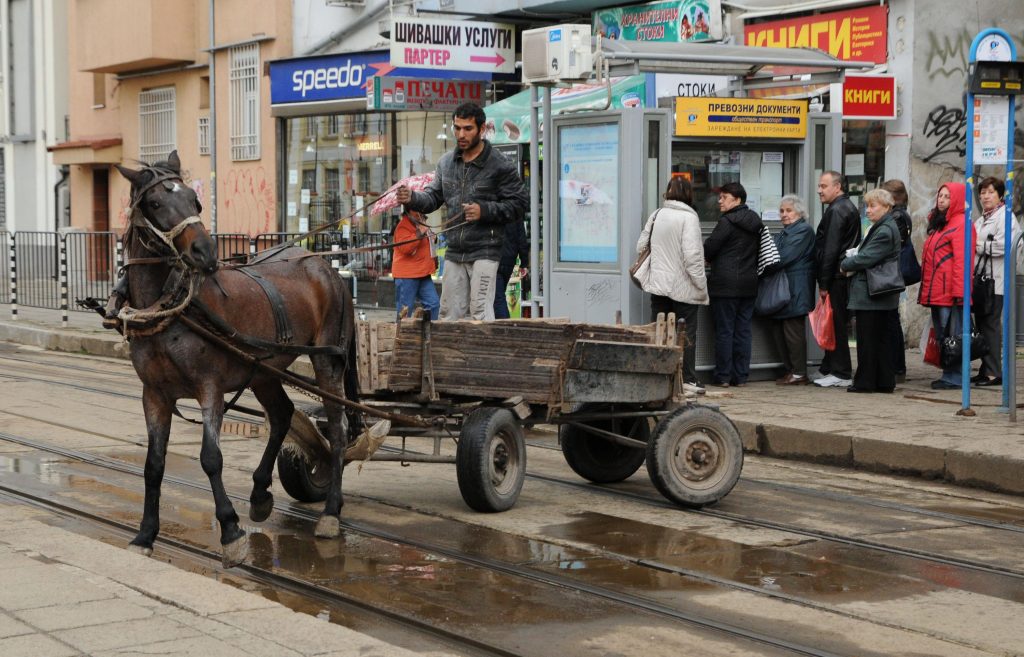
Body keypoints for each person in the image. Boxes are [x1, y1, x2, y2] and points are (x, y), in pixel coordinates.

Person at [397, 103, 529, 321]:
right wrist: (413, 198)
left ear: (482, 129)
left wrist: (484, 210)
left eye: (468, 128)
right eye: (457, 128)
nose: (461, 134)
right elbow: (432, 198)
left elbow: (519, 204)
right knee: (449, 314)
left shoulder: (499, 164)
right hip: (455, 250)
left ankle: (482, 355)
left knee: (480, 312)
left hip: (486, 250)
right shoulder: (446, 163)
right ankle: (451, 356)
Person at [637, 176, 708, 395]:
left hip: (658, 284)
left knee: (660, 329)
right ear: (689, 194)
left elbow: (641, 246)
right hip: (683, 287)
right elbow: (693, 256)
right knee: (685, 332)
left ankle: (658, 376)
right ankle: (687, 379)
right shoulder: (689, 218)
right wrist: (701, 285)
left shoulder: (657, 214)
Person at [839, 189, 902, 393]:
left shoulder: (884, 230)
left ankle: (865, 381)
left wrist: (846, 264)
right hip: (878, 292)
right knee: (879, 339)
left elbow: (866, 258)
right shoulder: (882, 226)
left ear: (886, 207)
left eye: (873, 206)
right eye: (867, 206)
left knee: (868, 339)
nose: (868, 210)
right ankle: (883, 381)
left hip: (873, 292)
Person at [703, 181, 762, 387]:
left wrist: (708, 257)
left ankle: (723, 376)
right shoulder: (755, 220)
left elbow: (710, 247)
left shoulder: (727, 222)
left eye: (724, 197)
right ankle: (741, 376)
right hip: (749, 284)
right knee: (743, 331)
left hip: (725, 284)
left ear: (737, 200)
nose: (720, 201)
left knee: (725, 331)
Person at [918, 182, 974, 390]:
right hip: (938, 291)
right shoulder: (941, 223)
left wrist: (960, 293)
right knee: (944, 335)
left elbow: (962, 261)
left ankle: (956, 376)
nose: (941, 199)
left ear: (957, 200)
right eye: (940, 195)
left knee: (954, 336)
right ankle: (949, 373)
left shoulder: (961, 224)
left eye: (947, 196)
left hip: (950, 292)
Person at [971, 176, 1023, 387]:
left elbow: (1009, 245)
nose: (985, 196)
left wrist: (981, 246)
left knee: (991, 324)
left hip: (997, 280)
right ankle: (986, 368)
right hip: (983, 279)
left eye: (990, 192)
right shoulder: (981, 218)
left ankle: (994, 373)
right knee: (983, 324)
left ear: (1000, 195)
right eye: (983, 192)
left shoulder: (1006, 217)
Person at [813, 171, 861, 388]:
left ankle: (840, 371)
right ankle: (832, 367)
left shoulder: (838, 210)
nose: (819, 190)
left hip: (836, 276)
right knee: (834, 322)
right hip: (839, 274)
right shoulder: (844, 207)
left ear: (838, 186)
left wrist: (823, 282)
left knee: (836, 324)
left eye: (824, 186)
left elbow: (831, 248)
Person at [771, 195, 816, 385]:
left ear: (799, 212)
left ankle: (799, 373)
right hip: (786, 288)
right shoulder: (786, 231)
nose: (784, 214)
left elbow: (782, 257)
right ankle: (792, 371)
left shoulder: (803, 231)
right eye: (782, 211)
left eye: (788, 210)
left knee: (793, 332)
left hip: (795, 288)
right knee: (781, 331)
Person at [881, 179, 913, 382]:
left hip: (892, 274)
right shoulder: (899, 215)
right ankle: (895, 365)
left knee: (891, 320)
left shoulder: (897, 216)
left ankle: (897, 367)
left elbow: (891, 245)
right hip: (894, 273)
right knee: (892, 320)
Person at [392, 211, 439, 320]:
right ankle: (402, 336)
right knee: (404, 312)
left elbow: (427, 244)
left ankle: (428, 334)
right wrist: (420, 232)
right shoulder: (403, 226)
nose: (422, 213)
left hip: (423, 272)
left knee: (433, 305)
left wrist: (432, 237)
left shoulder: (421, 222)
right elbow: (406, 248)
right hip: (407, 275)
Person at [493, 220, 529, 319]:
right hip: (509, 260)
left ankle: (505, 330)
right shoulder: (515, 211)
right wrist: (524, 263)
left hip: (495, 258)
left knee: (497, 299)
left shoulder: (492, 207)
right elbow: (522, 239)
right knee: (499, 296)